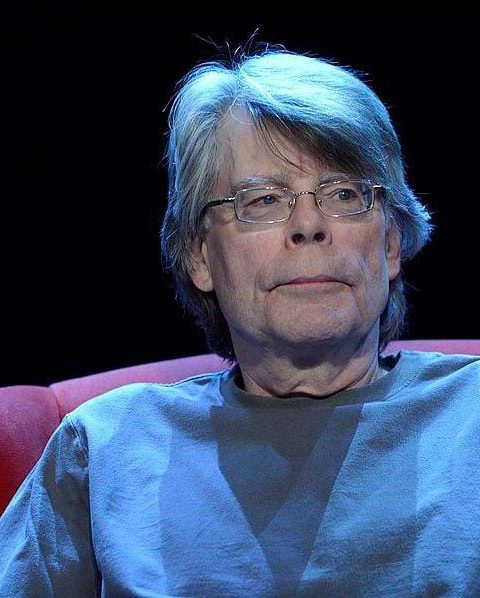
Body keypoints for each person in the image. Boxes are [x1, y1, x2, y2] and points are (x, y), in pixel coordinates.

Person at [1, 44, 479, 597]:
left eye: (344, 194)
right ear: (200, 255)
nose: (308, 225)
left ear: (391, 243)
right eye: (263, 200)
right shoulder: (108, 449)